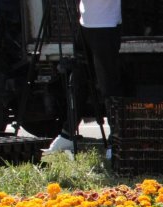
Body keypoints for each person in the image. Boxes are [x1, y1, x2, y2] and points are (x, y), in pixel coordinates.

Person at [44, 0, 123, 154]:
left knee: (109, 86)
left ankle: (116, 141)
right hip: (85, 24)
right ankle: (67, 133)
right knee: (79, 81)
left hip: (106, 26)